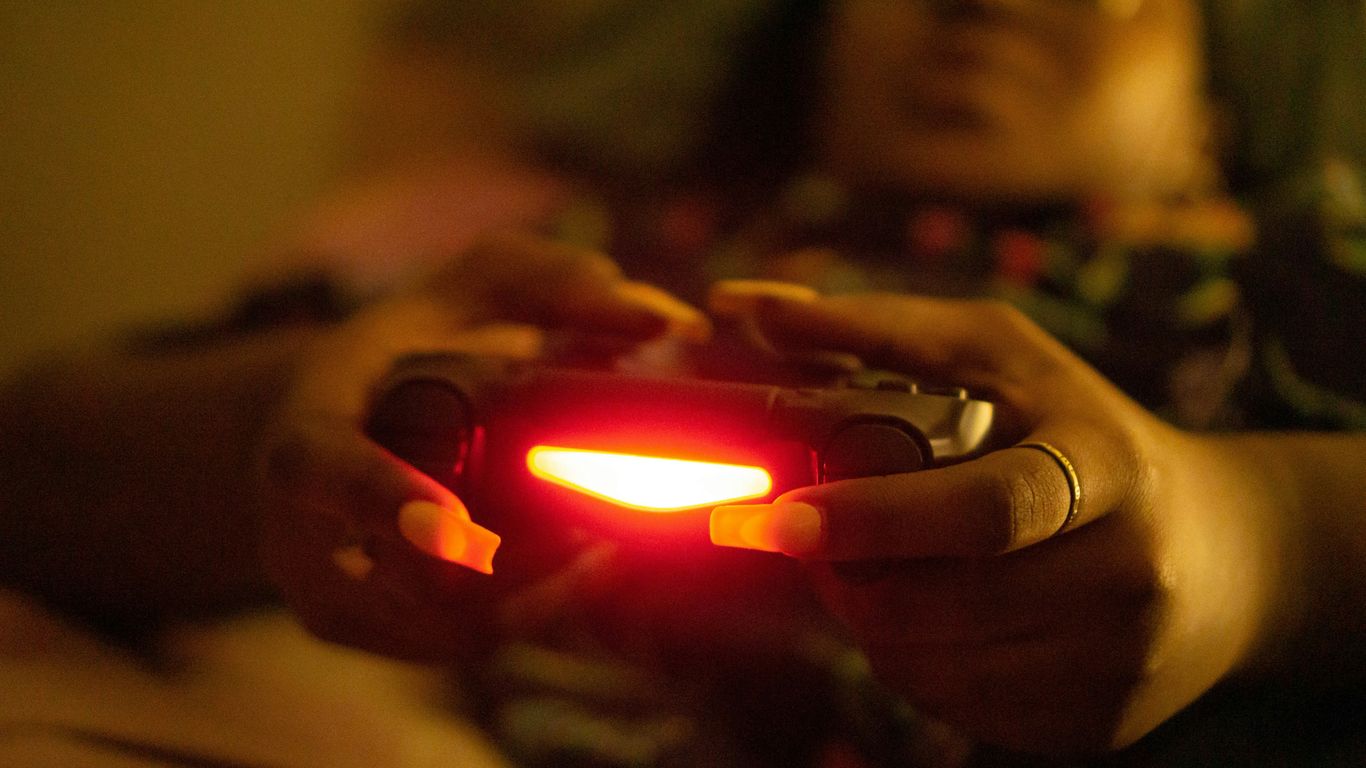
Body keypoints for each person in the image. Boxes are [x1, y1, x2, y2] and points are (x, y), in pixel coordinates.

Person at [2, 0, 1364, 765]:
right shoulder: (589, 261)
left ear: (1215, 113)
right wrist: (296, 430)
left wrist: (1267, 539)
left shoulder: (1305, 273)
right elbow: (32, 470)